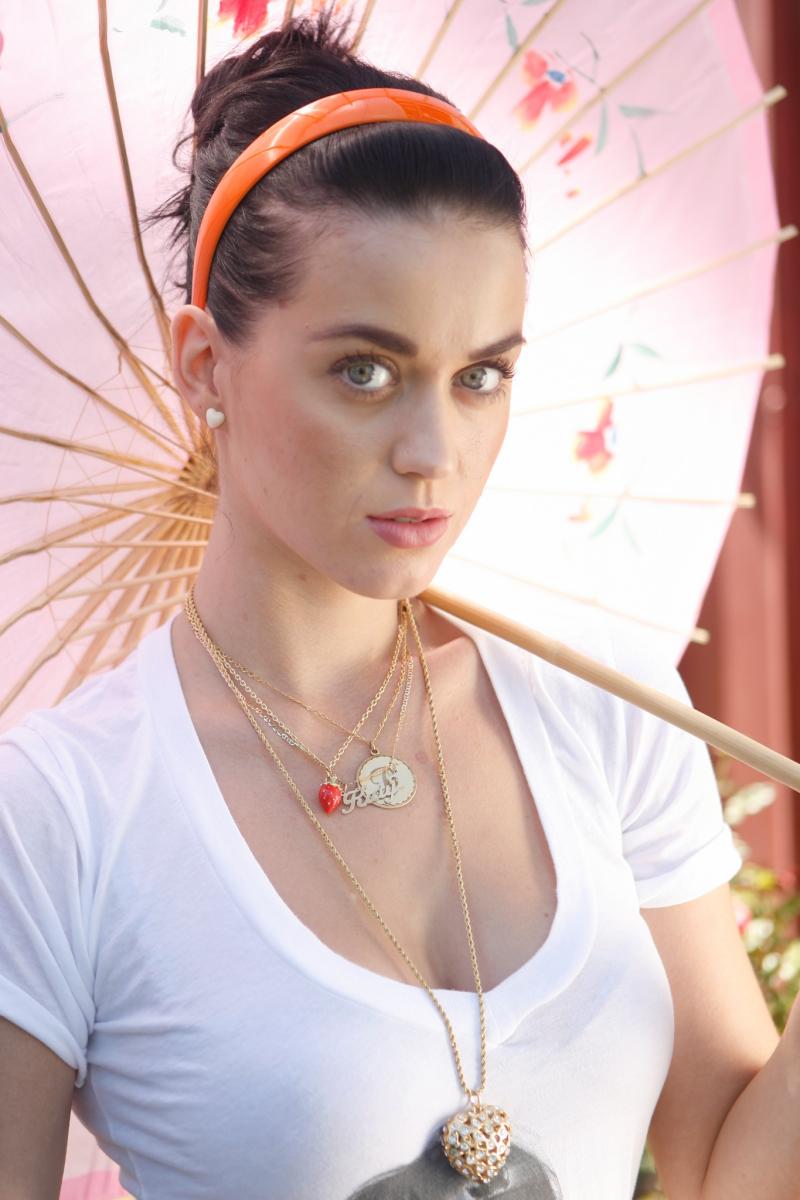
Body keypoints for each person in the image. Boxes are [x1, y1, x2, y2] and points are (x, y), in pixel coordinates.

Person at [0, 7, 775, 1199]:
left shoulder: (605, 710)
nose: (432, 452)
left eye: (480, 376)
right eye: (364, 372)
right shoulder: (60, 817)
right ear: (203, 364)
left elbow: (731, 1169)